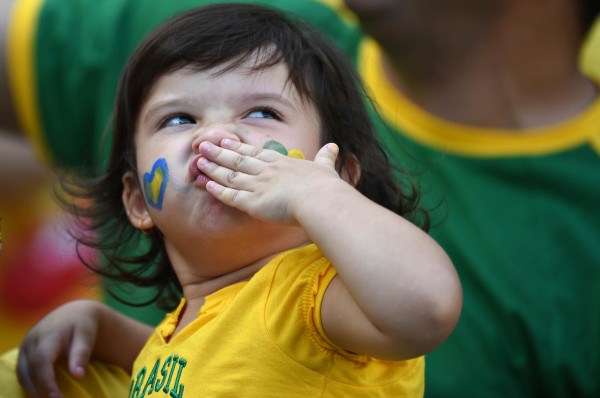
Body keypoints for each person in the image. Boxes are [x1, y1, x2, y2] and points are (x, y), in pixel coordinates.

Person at [2, 0, 599, 396]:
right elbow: (211, 368)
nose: (218, 135)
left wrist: (315, 195)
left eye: (261, 113)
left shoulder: (310, 298)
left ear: (338, 175)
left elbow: (426, 309)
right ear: (136, 204)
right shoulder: (186, 325)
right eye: (179, 119)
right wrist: (109, 334)